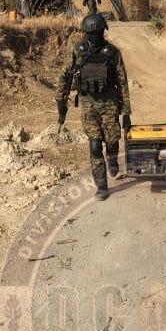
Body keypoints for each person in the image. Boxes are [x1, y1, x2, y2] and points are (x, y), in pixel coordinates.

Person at [56, 13, 131, 200]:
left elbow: (122, 82)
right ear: (85, 33)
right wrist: (61, 101)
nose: (94, 37)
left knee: (112, 141)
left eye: (97, 33)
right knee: (95, 145)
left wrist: (126, 113)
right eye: (91, 34)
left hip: (110, 104)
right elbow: (65, 75)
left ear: (103, 31)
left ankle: (112, 159)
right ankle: (102, 186)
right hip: (88, 104)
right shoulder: (78, 50)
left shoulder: (112, 53)